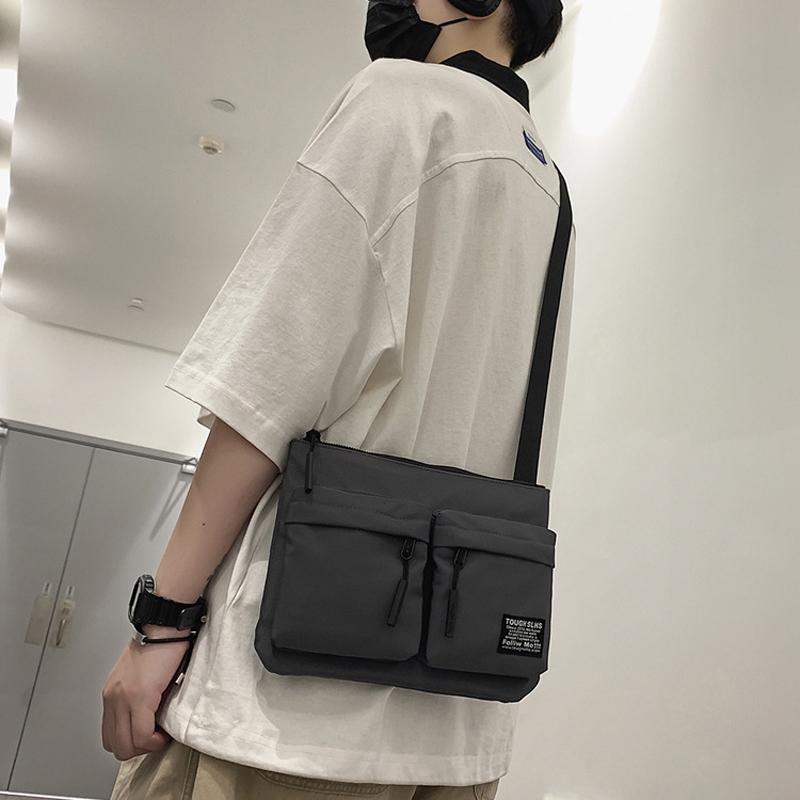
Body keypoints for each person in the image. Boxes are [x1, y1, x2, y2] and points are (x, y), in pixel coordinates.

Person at [103, 1, 573, 798]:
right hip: (459, 730)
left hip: (288, 717)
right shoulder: (550, 187)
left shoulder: (403, 100)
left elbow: (269, 383)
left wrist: (163, 622)